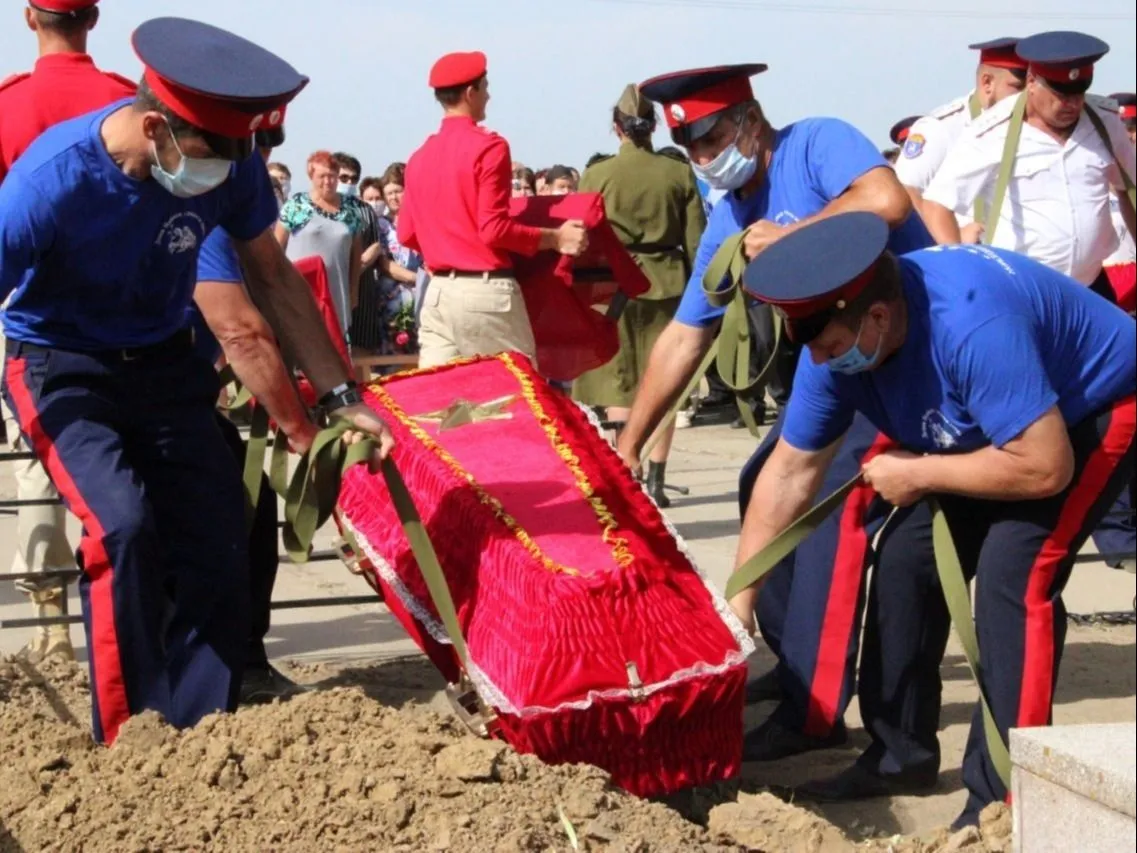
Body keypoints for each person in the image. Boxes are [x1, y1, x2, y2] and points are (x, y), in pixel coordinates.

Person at [0, 16, 394, 746]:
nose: (236, 163)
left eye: (245, 146)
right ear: (157, 129)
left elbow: (273, 277)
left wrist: (340, 395)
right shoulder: (46, 186)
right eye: (218, 148)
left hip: (163, 361)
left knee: (219, 527)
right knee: (123, 526)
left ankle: (203, 728)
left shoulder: (230, 162)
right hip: (63, 367)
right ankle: (136, 741)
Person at [734, 211, 1135, 830]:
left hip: (1091, 410)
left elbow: (1045, 467)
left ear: (877, 316)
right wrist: (739, 604)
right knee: (903, 560)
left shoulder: (972, 326)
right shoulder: (834, 344)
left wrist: (920, 474)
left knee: (1014, 577)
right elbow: (788, 473)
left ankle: (1004, 799)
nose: (819, 359)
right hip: (990, 427)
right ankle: (899, 755)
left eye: (831, 347)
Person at [618, 62, 935, 761]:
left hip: (904, 354)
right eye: (691, 150)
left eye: (710, 141)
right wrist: (629, 442)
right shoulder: (729, 214)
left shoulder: (815, 143)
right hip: (836, 368)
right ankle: (792, 663)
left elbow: (886, 200)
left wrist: (796, 234)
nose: (704, 160)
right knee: (758, 482)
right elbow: (685, 332)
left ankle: (815, 710)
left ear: (749, 122)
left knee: (822, 511)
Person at [0, 0, 138, 663]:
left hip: (32, 314)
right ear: (94, 19)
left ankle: (51, 619)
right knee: (125, 465)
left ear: (31, 18)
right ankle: (122, 613)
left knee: (36, 464)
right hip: (124, 312)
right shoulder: (123, 98)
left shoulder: (9, 104)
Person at [191, 119, 311, 704]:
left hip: (181, 386)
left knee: (252, 504)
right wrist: (298, 427)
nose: (262, 165)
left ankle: (244, 656)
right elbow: (238, 329)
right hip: (136, 394)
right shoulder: (209, 214)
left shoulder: (231, 213)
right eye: (255, 149)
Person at [397, 51, 588, 368]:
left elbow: (406, 233)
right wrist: (556, 238)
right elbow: (494, 228)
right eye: (485, 87)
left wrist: (441, 255)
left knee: (439, 406)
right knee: (516, 399)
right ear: (470, 93)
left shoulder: (419, 156)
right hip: (486, 294)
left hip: (439, 295)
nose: (489, 95)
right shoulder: (489, 146)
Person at [571, 83, 707, 507]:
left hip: (613, 288)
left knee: (619, 383)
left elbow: (580, 238)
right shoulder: (678, 171)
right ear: (653, 128)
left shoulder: (596, 174)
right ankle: (658, 481)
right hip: (666, 287)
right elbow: (698, 241)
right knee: (662, 381)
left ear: (617, 129)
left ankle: (625, 475)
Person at [921, 31, 1135, 291]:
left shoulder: (1104, 122)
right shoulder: (991, 131)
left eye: (1079, 94)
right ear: (1032, 82)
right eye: (1061, 95)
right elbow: (936, 205)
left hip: (1090, 286)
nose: (1072, 104)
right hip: (1020, 288)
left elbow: (1129, 190)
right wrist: (962, 271)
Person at [894, 37, 1027, 225]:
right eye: (1018, 87)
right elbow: (906, 191)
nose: (1027, 96)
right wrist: (951, 237)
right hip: (961, 248)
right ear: (987, 83)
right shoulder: (942, 128)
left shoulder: (1032, 127)